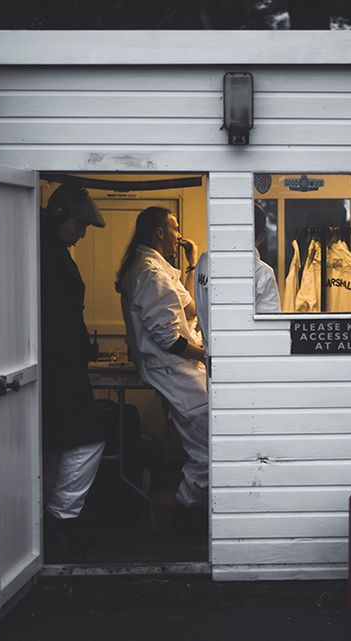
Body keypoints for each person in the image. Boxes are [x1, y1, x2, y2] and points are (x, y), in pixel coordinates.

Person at [115, 207, 208, 529]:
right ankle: (186, 509)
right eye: (175, 228)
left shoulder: (158, 269)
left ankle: (190, 506)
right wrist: (205, 356)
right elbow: (168, 338)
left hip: (178, 367)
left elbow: (191, 305)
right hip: (173, 369)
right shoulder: (150, 274)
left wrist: (194, 262)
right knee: (212, 446)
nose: (179, 235)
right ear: (159, 232)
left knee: (208, 443)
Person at [39, 183, 108, 560]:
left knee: (54, 443)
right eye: (78, 226)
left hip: (59, 364)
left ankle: (49, 520)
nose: (82, 234)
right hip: (59, 366)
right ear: (60, 217)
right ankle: (59, 516)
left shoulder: (48, 251)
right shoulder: (50, 257)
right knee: (89, 438)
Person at [194, 204, 279, 357]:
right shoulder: (262, 273)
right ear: (262, 235)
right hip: (245, 363)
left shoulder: (204, 261)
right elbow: (269, 332)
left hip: (211, 359)